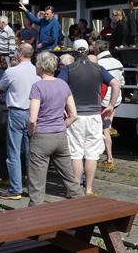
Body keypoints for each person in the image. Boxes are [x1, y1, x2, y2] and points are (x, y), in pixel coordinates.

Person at [58, 39, 119, 195]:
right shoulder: (98, 68)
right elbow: (115, 84)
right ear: (89, 51)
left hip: (75, 116)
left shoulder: (69, 69)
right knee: (92, 154)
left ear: (74, 52)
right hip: (94, 116)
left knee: (76, 154)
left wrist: (61, 108)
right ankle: (89, 189)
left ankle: (75, 188)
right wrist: (111, 105)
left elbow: (58, 87)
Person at [26, 52, 83, 206]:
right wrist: (62, 126)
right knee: (70, 179)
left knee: (37, 183)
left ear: (41, 67)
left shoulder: (37, 87)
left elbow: (32, 118)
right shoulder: (63, 84)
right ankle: (85, 207)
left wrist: (31, 131)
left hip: (42, 136)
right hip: (60, 136)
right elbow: (74, 114)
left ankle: (35, 219)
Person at [0, 43, 40, 200]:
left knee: (14, 152)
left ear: (20, 53)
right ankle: (32, 187)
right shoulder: (38, 71)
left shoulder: (11, 71)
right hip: (33, 113)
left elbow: (1, 87)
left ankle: (16, 189)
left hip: (16, 112)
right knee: (31, 153)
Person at [93, 41, 123, 170]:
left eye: (93, 48)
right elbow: (121, 82)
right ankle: (107, 156)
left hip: (104, 99)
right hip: (116, 99)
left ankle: (109, 158)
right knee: (107, 127)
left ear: (97, 49)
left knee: (105, 129)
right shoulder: (118, 63)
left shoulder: (99, 64)